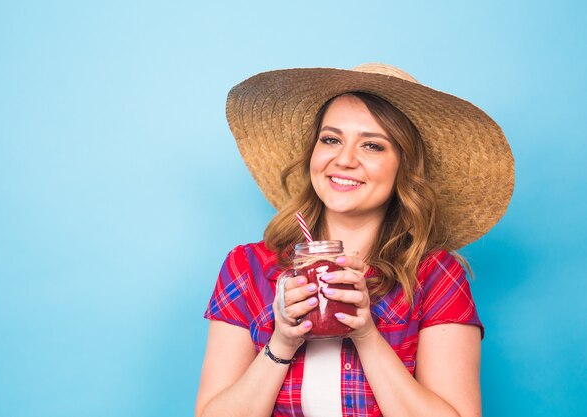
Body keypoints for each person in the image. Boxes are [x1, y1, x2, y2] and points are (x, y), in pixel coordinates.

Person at [195, 63, 514, 417]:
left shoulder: (435, 276)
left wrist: (366, 334)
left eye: (373, 146)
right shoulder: (249, 268)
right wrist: (282, 342)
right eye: (331, 139)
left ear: (404, 167)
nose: (344, 160)